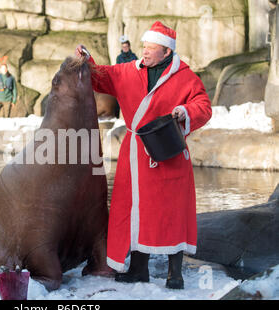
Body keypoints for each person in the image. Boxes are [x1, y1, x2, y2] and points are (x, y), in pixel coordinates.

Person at [75, 21, 212, 290]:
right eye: (144, 47)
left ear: (167, 52)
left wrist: (184, 111)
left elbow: (203, 106)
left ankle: (175, 273)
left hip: (169, 151)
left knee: (173, 210)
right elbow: (100, 75)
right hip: (135, 152)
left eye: (152, 48)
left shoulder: (185, 77)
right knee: (135, 209)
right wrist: (87, 60)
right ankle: (139, 269)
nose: (145, 52)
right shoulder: (128, 71)